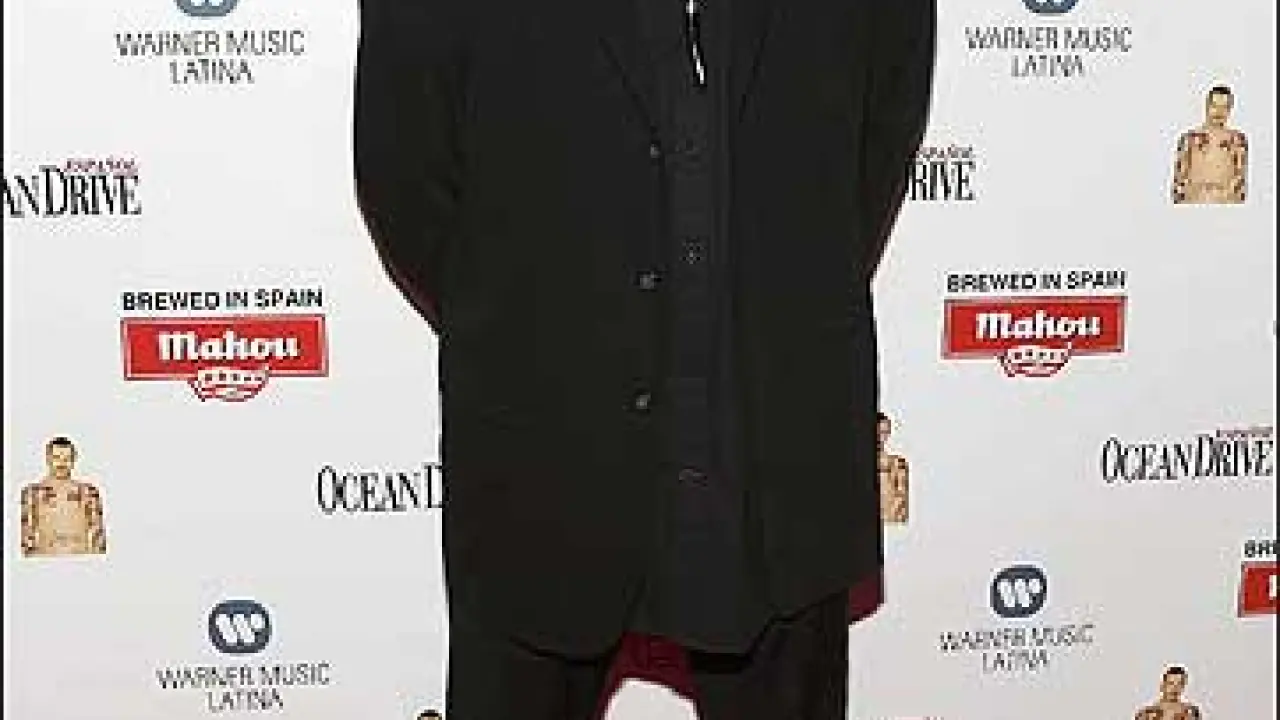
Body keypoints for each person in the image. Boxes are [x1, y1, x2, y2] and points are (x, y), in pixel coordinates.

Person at [353, 0, 936, 716]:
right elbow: (404, 169)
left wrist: (778, 298)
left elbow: (881, 127)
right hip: (541, 448)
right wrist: (529, 330)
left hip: (781, 437)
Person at [20, 437, 107, 557]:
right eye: (56, 457)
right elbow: (27, 537)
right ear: (48, 458)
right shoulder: (32, 493)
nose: (61, 463)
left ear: (74, 460)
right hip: (45, 559)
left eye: (66, 459)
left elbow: (98, 536)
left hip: (81, 558)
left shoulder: (88, 492)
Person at [1172, 85, 1248, 204]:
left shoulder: (1237, 140)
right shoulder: (1189, 139)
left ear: (1230, 109)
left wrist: (1225, 197)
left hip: (1225, 204)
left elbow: (1240, 182)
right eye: (1215, 106)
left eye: (1224, 107)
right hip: (1194, 203)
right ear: (1207, 106)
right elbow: (1178, 182)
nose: (1219, 112)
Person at [877, 413, 910, 525]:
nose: (881, 438)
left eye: (884, 433)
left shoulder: (897, 464)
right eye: (878, 432)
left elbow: (900, 504)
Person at [1135, 666, 1203, 720]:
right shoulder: (1146, 714)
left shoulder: (1191, 712)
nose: (1175, 688)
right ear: (1163, 685)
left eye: (1179, 684)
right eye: (1171, 683)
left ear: (1183, 686)